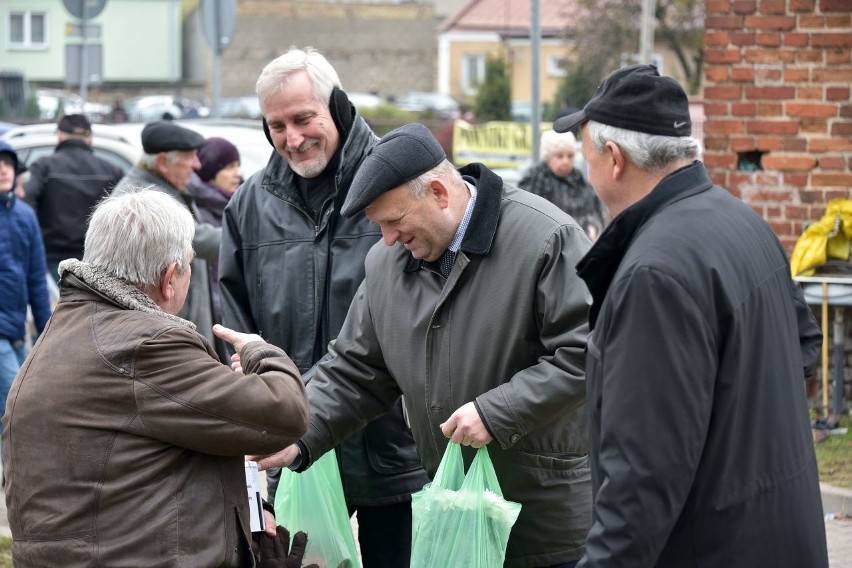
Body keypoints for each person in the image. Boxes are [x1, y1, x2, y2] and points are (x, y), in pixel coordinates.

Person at [253, 123, 594, 568]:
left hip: (542, 523)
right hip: (454, 519)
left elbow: (587, 353)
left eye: (393, 222)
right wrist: (298, 432)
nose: (388, 239)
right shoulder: (386, 264)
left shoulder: (546, 238)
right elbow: (354, 370)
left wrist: (497, 412)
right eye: (379, 227)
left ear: (439, 192)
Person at [551, 64, 829, 567]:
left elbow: (643, 477)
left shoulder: (654, 273)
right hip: (775, 534)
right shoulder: (739, 219)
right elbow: (803, 350)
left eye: (587, 155)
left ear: (614, 159)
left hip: (712, 547)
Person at [2, 188, 311, 567]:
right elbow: (284, 415)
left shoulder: (65, 328)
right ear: (169, 279)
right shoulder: (148, 343)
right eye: (190, 265)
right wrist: (259, 351)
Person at [219, 46, 429, 568]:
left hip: (392, 448)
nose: (292, 139)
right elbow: (233, 319)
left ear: (335, 106)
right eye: (276, 125)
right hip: (292, 454)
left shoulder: (398, 189)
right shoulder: (248, 206)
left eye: (303, 118)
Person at [115, 120, 221, 351]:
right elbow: (197, 238)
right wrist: (248, 240)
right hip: (162, 329)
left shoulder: (162, 188)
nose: (197, 164)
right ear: (162, 161)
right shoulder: (139, 197)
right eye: (190, 157)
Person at [23, 113, 124, 282]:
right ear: (89, 139)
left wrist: (36, 238)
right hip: (97, 260)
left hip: (52, 258)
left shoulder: (43, 166)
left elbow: (25, 200)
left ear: (60, 135)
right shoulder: (112, 170)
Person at [0, 141, 51, 439]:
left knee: (24, 408)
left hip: (20, 331)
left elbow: (36, 281)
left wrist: (48, 334)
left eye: (7, 163)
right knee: (15, 411)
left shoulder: (25, 216)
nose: (4, 170)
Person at [189, 136, 243, 361]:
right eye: (229, 167)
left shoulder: (242, 203)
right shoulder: (196, 212)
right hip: (210, 319)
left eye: (238, 165)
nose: (237, 173)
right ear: (211, 171)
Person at [518, 129, 607, 240]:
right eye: (559, 156)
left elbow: (592, 210)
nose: (566, 161)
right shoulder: (536, 180)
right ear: (548, 157)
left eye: (570, 156)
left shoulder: (578, 180)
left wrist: (592, 225)